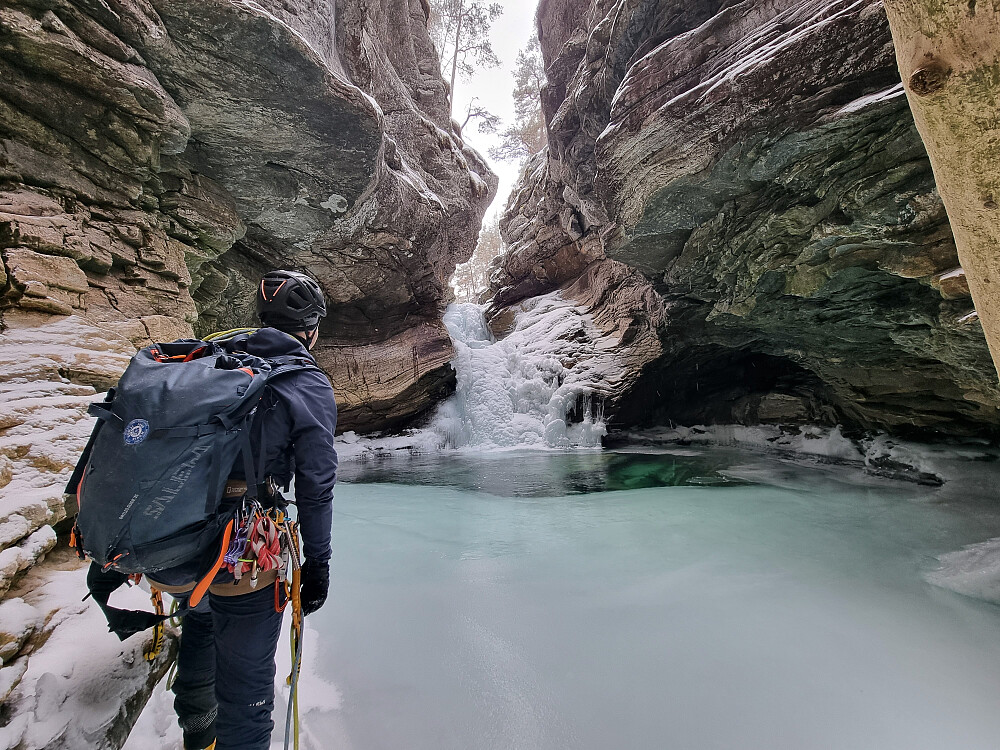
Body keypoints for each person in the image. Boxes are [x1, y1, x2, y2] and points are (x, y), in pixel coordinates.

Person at [149, 270, 338, 750]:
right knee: (248, 694)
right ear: (311, 329)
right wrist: (318, 563)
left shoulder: (214, 358)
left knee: (203, 618)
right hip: (246, 551)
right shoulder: (305, 381)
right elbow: (316, 484)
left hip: (184, 537)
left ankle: (198, 734)